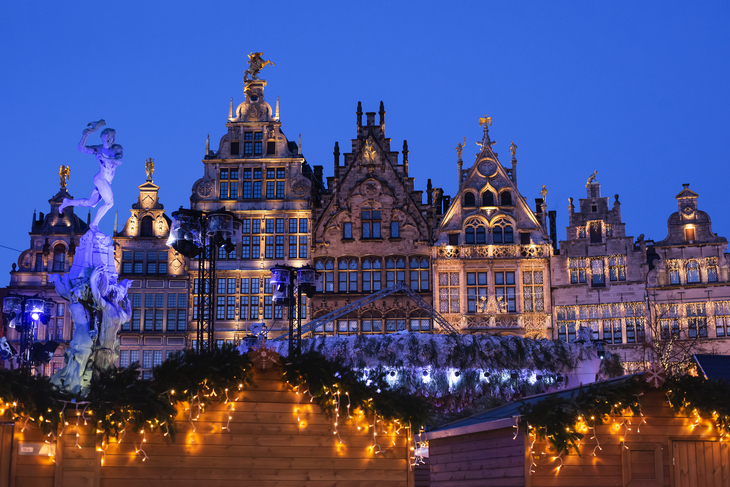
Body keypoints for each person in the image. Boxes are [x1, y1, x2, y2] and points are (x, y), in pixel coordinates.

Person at [59, 120, 123, 231]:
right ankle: (94, 225)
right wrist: (85, 136)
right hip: (100, 178)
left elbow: (119, 161)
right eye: (107, 139)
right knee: (110, 202)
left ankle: (67, 202)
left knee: (91, 203)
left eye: (110, 138)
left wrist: (106, 158)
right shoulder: (98, 149)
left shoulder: (116, 148)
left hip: (106, 181)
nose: (110, 140)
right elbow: (82, 149)